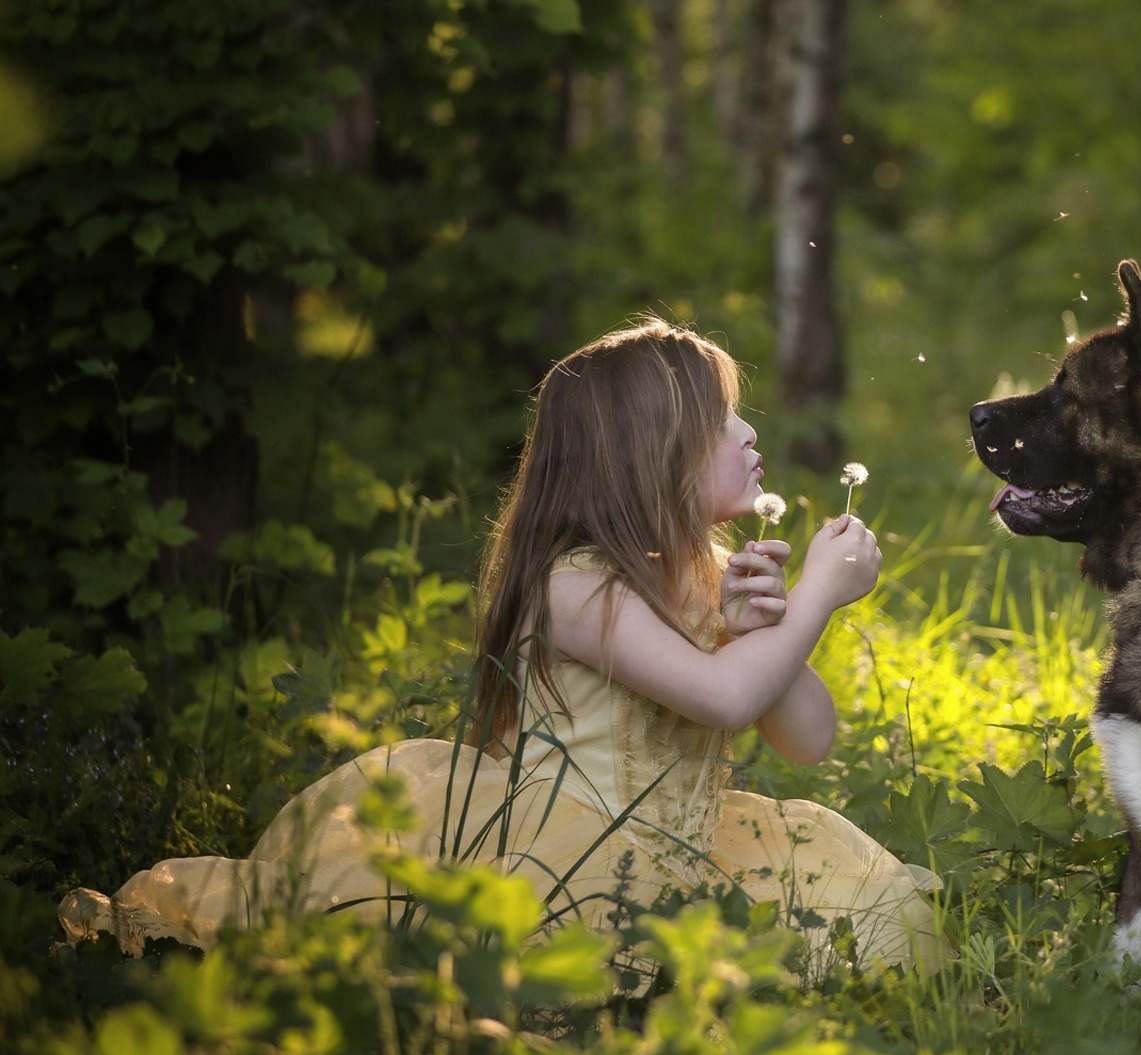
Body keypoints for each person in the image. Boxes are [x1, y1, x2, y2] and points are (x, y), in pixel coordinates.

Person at [60, 319, 943, 974]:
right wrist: (821, 596)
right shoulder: (576, 582)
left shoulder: (708, 571)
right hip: (568, 849)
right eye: (724, 423)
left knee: (878, 918)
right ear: (656, 454)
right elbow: (721, 700)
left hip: (689, 845)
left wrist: (771, 630)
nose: (750, 436)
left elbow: (807, 737)